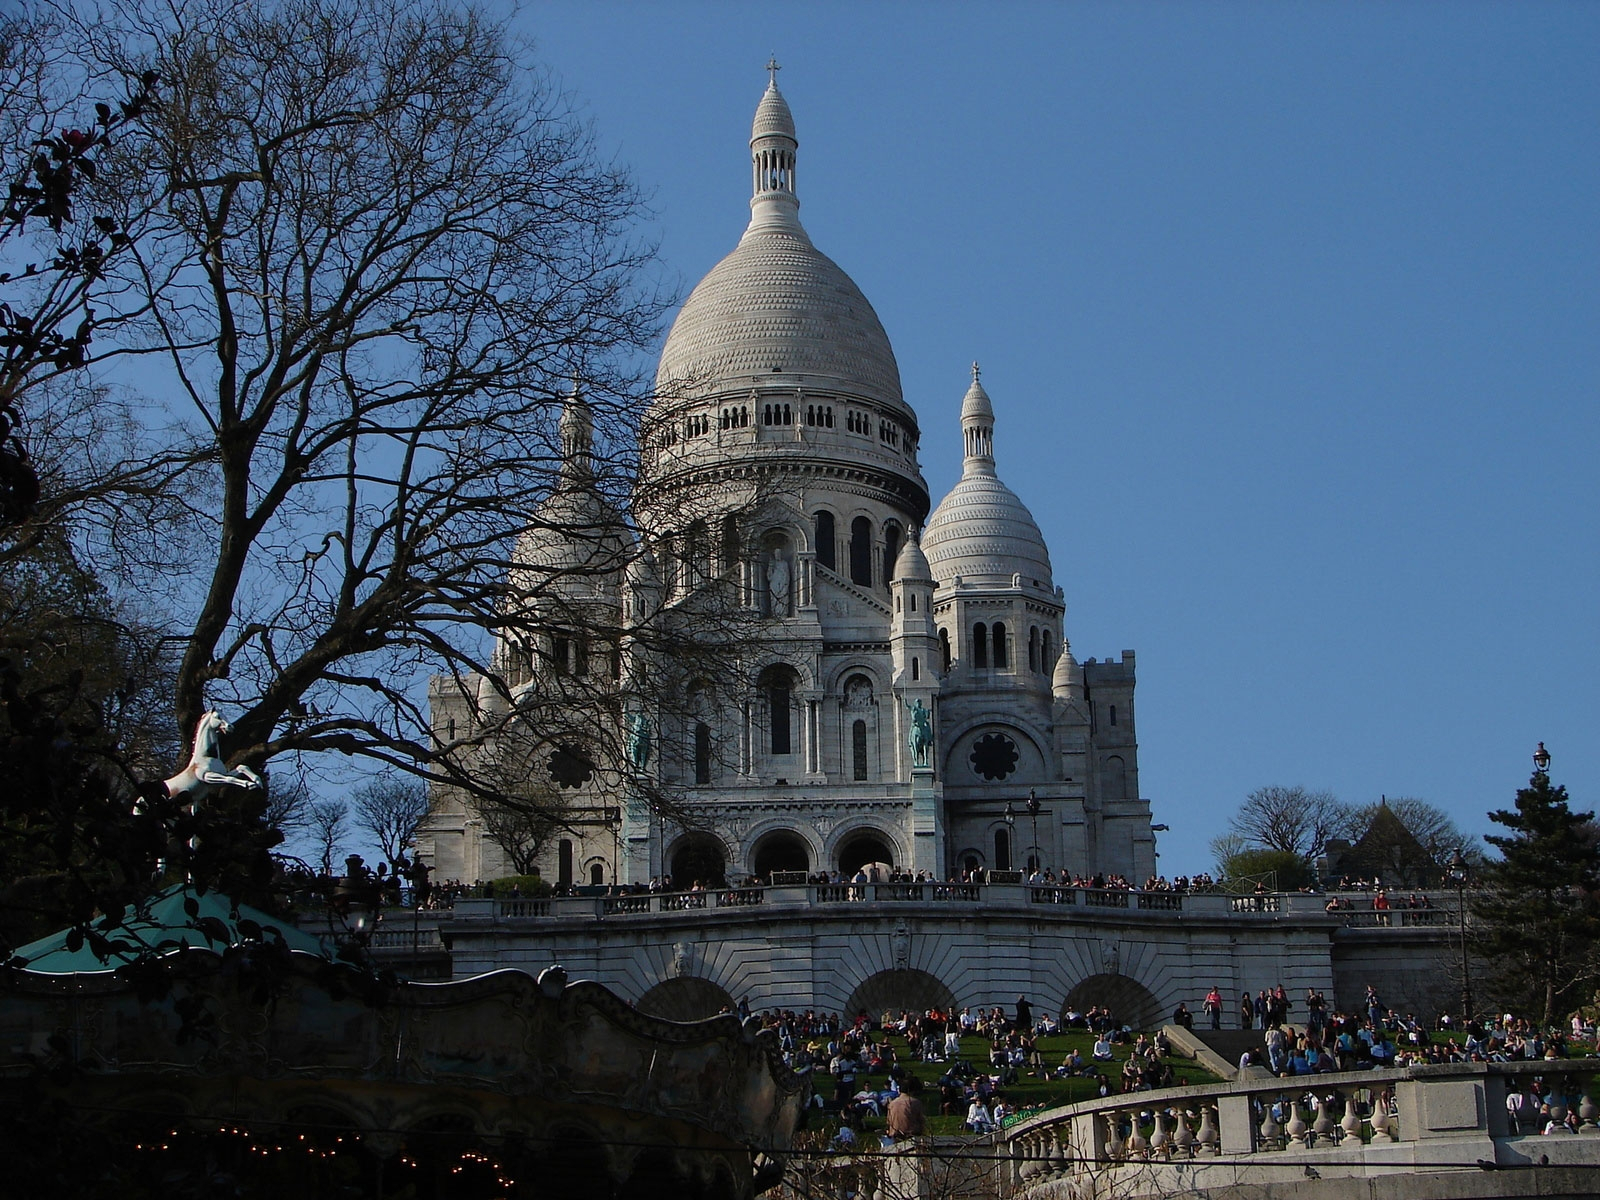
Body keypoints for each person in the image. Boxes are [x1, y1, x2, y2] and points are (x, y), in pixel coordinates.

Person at [885, 1075, 926, 1140]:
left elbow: (888, 1122)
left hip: (894, 1136)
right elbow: (921, 1121)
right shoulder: (916, 1103)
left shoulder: (892, 1104)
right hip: (912, 1136)